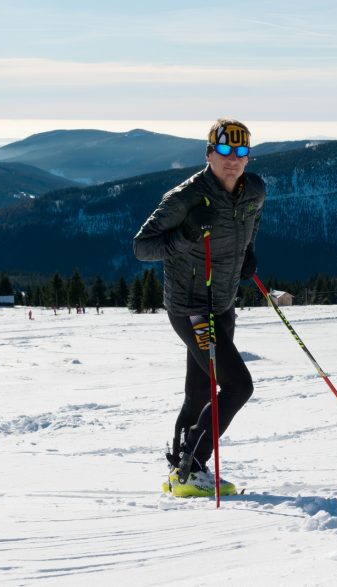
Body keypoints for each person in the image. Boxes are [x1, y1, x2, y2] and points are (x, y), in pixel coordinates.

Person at [133, 118, 264, 494]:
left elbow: (252, 225)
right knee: (239, 385)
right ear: (209, 154)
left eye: (241, 152)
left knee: (200, 392)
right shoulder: (186, 197)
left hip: (222, 304)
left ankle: (179, 469)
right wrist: (187, 233)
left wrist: (249, 255)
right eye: (224, 150)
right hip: (189, 307)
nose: (232, 159)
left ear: (248, 157)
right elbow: (142, 247)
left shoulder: (255, 190)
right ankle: (194, 465)